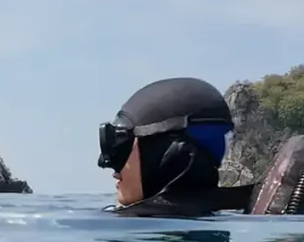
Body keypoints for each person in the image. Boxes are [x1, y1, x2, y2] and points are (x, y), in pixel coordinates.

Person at [98, 77, 255, 217]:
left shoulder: (118, 225)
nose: (109, 165)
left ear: (168, 154)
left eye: (121, 148)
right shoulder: (250, 209)